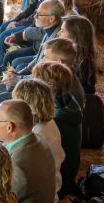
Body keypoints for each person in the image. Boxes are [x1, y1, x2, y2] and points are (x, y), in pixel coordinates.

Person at [33, 60, 84, 195]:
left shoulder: (54, 120)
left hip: (58, 184)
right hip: (66, 177)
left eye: (35, 79)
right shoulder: (68, 102)